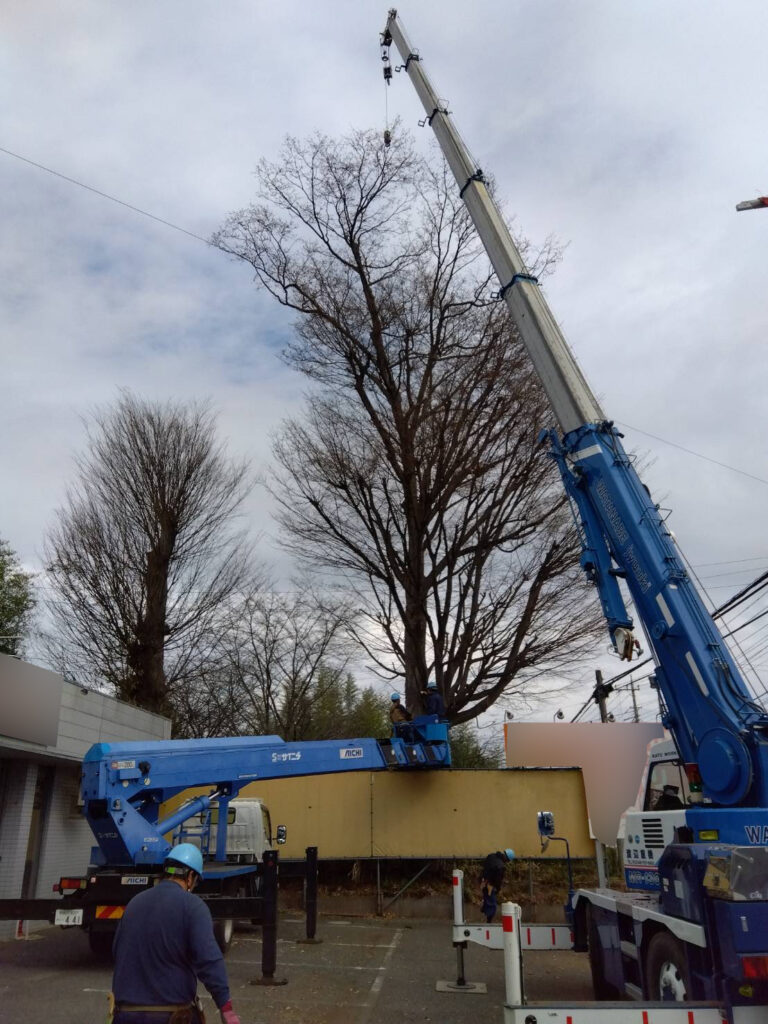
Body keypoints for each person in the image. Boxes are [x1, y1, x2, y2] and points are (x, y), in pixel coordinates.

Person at [111, 843, 241, 1024]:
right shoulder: (193, 906)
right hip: (171, 1016)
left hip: (125, 1014)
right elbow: (209, 960)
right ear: (190, 876)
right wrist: (226, 1009)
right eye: (195, 881)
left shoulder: (134, 903)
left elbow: (117, 950)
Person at [480, 848, 515, 923]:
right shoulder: (500, 866)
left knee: (487, 899)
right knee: (492, 904)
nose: (507, 862)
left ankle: (484, 910)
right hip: (490, 885)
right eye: (508, 861)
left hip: (483, 881)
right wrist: (498, 889)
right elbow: (498, 880)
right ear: (507, 858)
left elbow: (484, 866)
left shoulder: (491, 856)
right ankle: (488, 922)